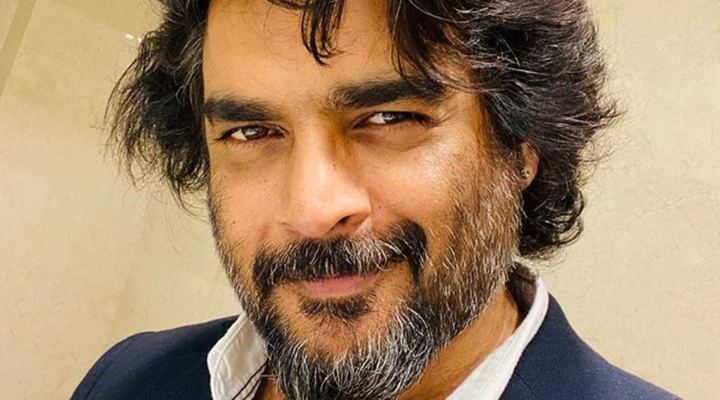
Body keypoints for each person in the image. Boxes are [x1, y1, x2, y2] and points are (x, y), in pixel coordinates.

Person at [71, 0, 679, 399]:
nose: (313, 209)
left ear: (522, 146)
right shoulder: (127, 378)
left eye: (390, 118)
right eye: (251, 132)